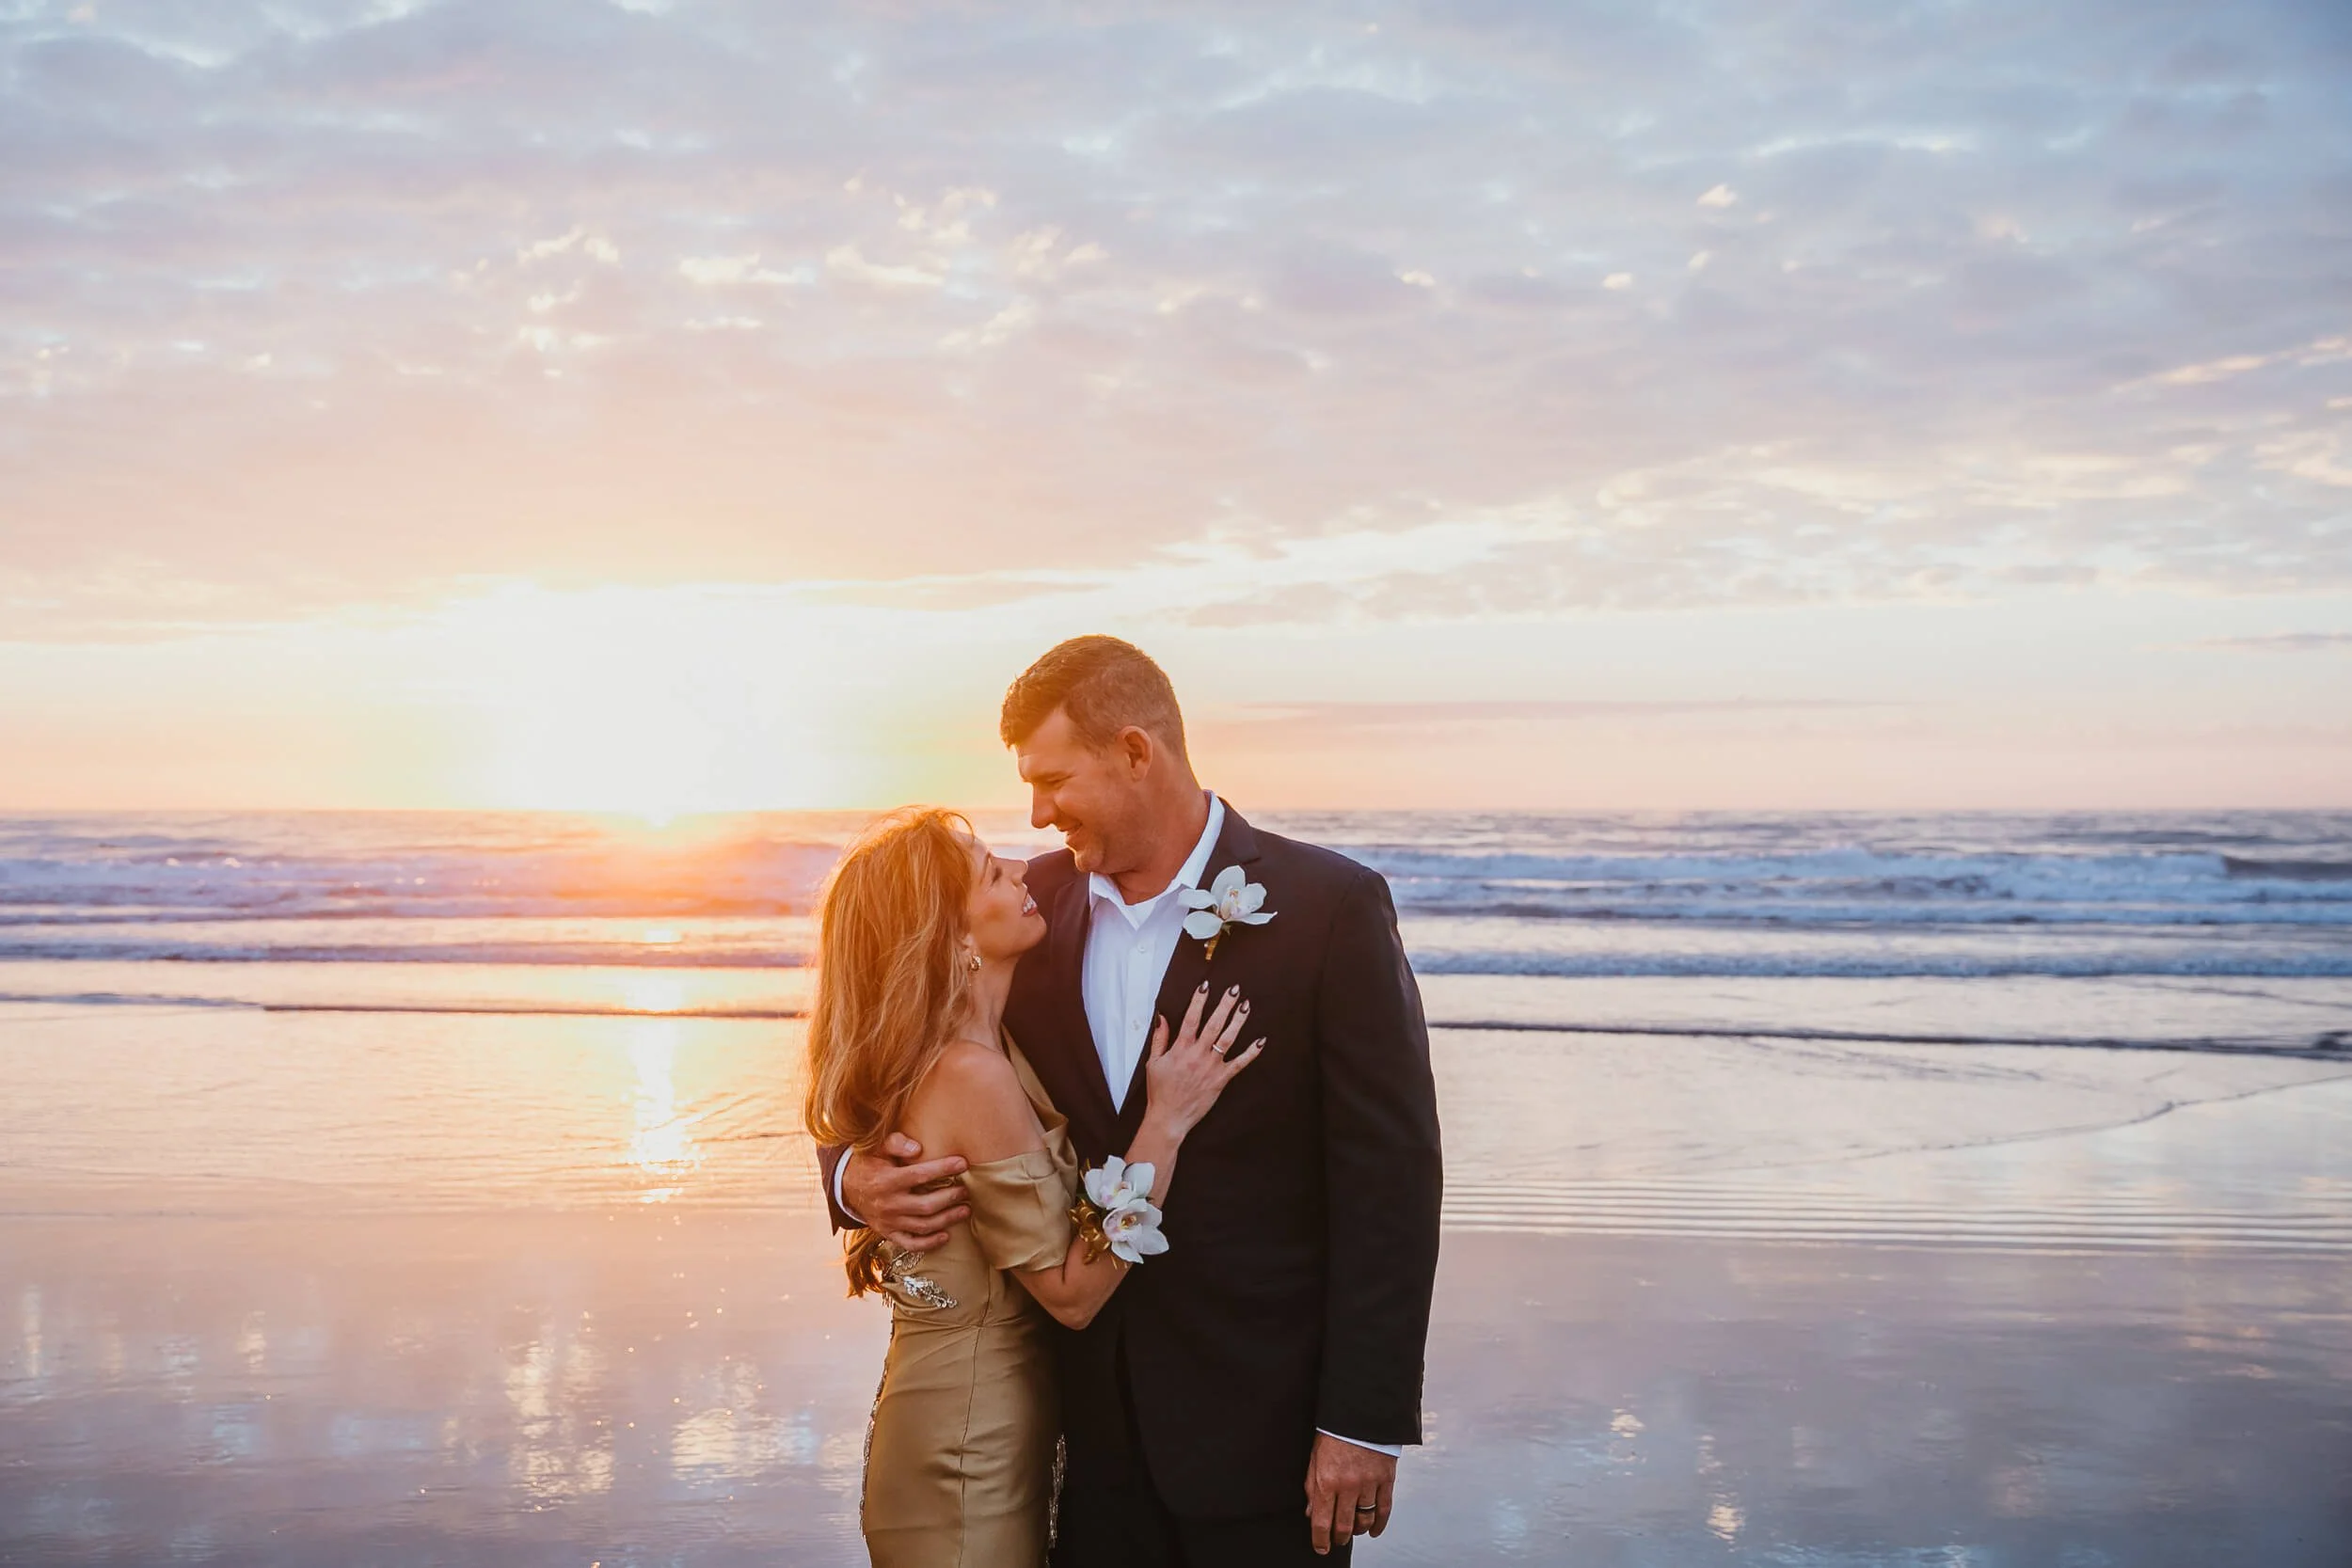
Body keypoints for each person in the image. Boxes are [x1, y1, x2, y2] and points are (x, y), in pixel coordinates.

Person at [829, 636, 1444, 1564]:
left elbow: (1388, 1182)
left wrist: (1362, 1420)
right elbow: (888, 1058)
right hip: (1071, 1442)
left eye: (1052, 779)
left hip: (1262, 1437)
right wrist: (850, 1176)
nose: (1035, 817)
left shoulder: (1327, 908)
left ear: (1132, 751)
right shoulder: (1015, 911)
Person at [804, 807, 1264, 1568]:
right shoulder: (969, 1072)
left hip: (971, 1428)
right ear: (952, 935)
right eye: (992, 870)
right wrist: (1168, 1120)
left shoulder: (969, 1042)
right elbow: (1072, 1292)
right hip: (965, 1456)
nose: (1024, 868)